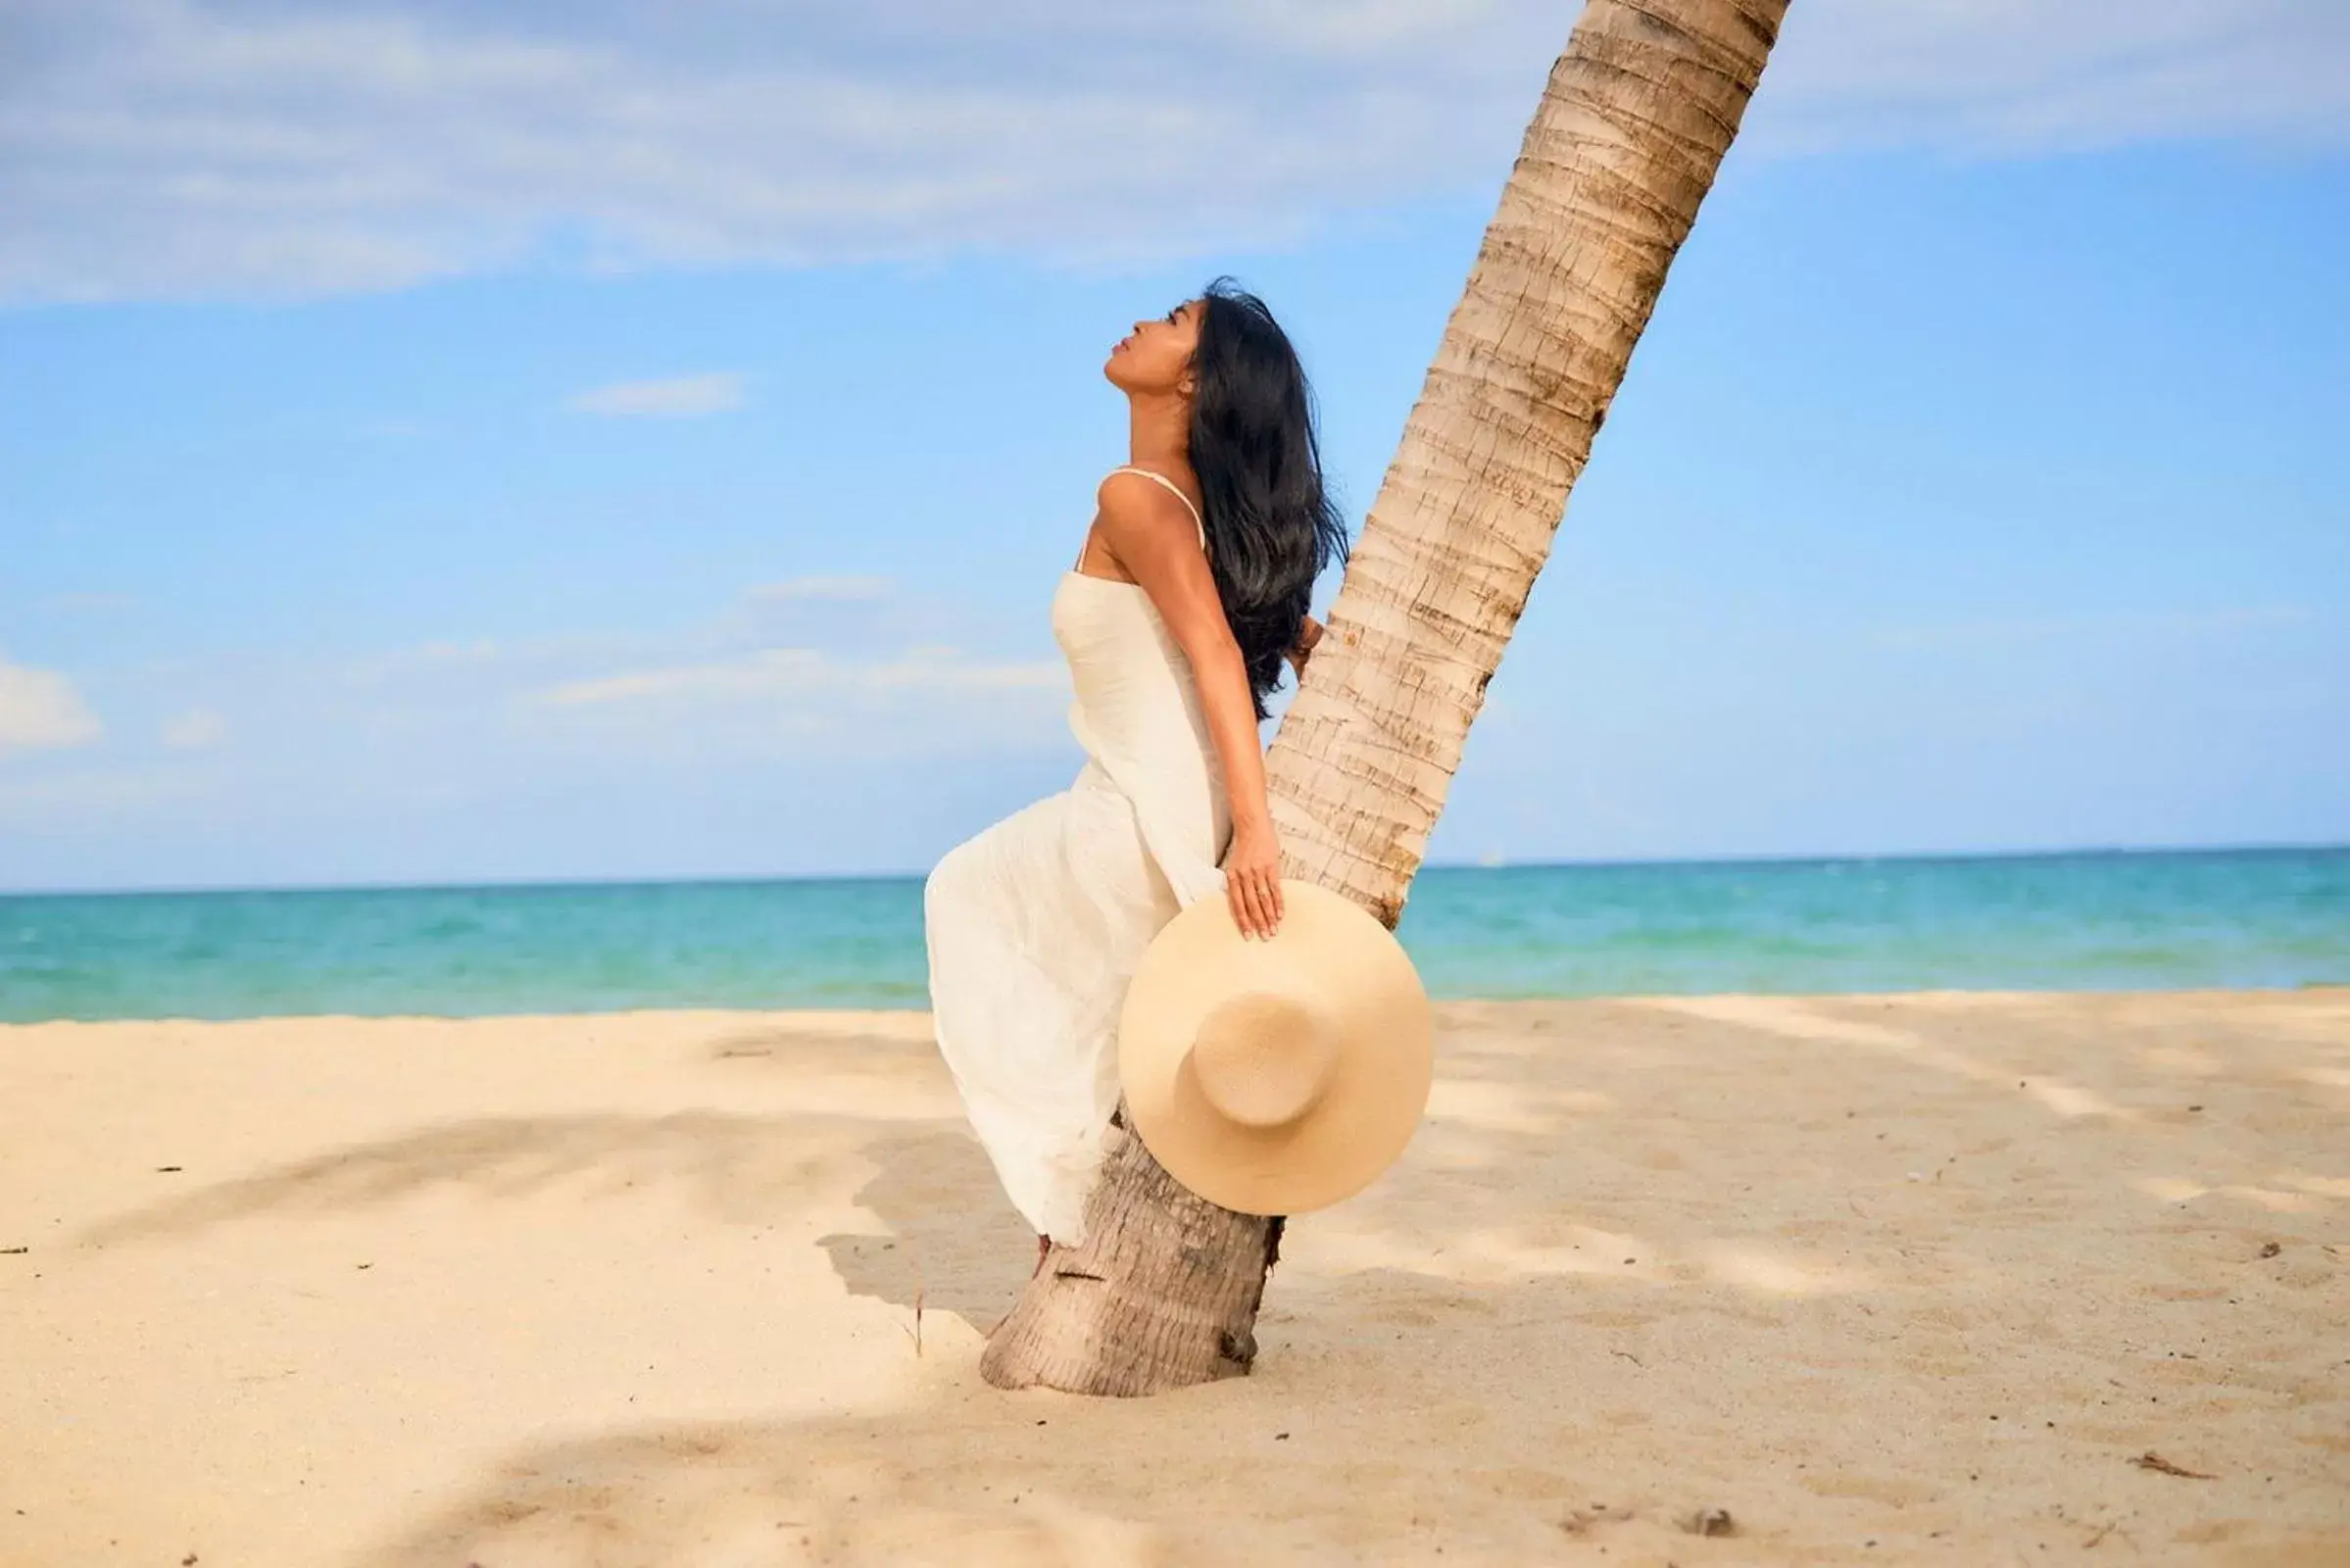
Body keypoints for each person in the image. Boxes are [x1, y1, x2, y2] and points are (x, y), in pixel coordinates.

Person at [923, 277, 1345, 1272]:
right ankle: (1072, 1227)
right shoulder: (1185, 508)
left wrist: (1257, 828)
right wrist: (1288, 636)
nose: (1143, 322)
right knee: (1073, 1011)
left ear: (1195, 382)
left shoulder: (1135, 497)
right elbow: (1207, 641)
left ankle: (1063, 1232)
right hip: (1159, 803)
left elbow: (1206, 655)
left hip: (1139, 815)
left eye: (1174, 323)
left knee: (968, 897)